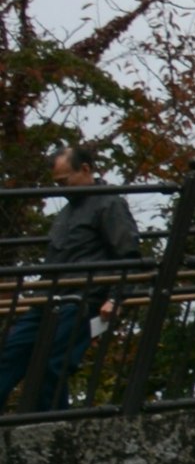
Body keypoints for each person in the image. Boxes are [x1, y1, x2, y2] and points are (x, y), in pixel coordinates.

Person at [1, 144, 140, 412]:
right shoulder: (66, 212)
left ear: (85, 170)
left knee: (53, 363)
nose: (61, 188)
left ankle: (51, 425)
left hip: (82, 299)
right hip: (49, 297)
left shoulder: (109, 203)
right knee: (10, 354)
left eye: (65, 181)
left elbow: (129, 255)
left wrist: (117, 298)